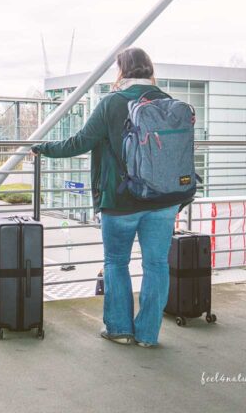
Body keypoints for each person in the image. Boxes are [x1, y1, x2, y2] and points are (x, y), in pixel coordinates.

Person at [32, 47, 180, 348]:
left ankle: (119, 329)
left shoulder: (112, 103)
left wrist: (42, 148)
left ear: (121, 71)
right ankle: (149, 335)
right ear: (150, 70)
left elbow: (79, 143)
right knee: (157, 265)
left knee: (116, 262)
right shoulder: (170, 103)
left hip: (120, 199)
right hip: (164, 199)